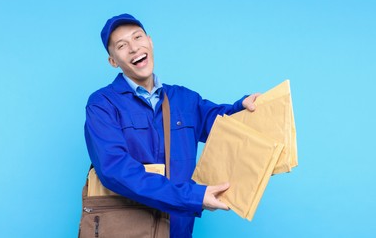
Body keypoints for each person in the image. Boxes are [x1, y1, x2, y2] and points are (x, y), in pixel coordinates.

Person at [84, 13, 259, 237]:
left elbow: (225, 126)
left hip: (178, 230)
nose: (134, 48)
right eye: (122, 45)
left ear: (150, 41)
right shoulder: (102, 105)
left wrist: (244, 107)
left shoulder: (185, 99)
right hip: (125, 229)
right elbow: (115, 170)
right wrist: (193, 196)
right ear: (113, 61)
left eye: (137, 37)